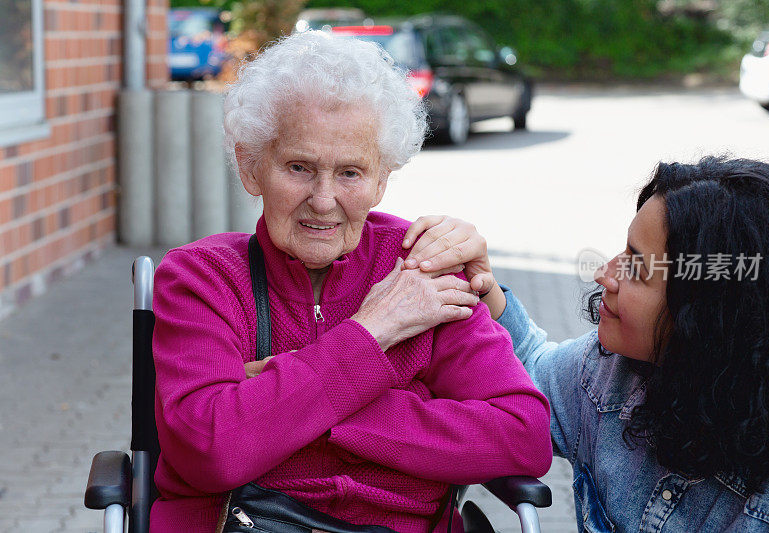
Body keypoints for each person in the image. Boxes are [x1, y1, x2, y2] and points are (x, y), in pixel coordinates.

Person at [149, 31, 552, 533]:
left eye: (350, 173)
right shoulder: (202, 277)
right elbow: (209, 450)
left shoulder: (420, 266)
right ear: (252, 167)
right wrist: (371, 333)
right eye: (299, 167)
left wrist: (285, 407)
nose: (323, 199)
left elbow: (523, 437)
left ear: (382, 178)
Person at [404, 156, 769, 532]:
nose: (604, 274)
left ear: (714, 314)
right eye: (623, 251)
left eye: (638, 268)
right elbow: (530, 378)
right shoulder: (613, 376)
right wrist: (483, 286)